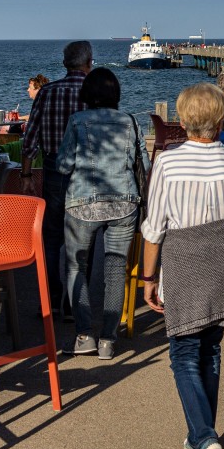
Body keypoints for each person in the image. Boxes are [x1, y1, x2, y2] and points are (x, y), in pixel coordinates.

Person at [140, 83, 224, 449]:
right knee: (210, 348)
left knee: (183, 352)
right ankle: (200, 436)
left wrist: (146, 277)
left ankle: (204, 436)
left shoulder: (168, 164)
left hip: (185, 262)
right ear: (222, 118)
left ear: (184, 119)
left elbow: (155, 227)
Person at [55, 68, 149, 360]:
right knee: (114, 271)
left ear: (87, 94)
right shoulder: (130, 121)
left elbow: (63, 164)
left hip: (83, 202)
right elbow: (143, 163)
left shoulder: (78, 121)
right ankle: (108, 339)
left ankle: (84, 335)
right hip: (124, 202)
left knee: (75, 267)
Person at [22, 41, 93, 312]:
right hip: (87, 172)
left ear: (65, 63)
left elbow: (31, 137)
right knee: (84, 237)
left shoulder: (47, 92)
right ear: (88, 63)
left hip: (53, 168)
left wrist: (26, 173)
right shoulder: (94, 94)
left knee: (51, 238)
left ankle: (51, 296)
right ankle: (74, 303)